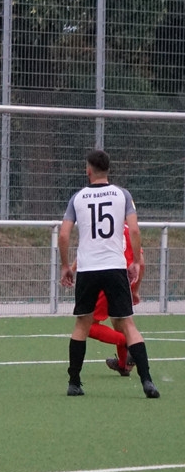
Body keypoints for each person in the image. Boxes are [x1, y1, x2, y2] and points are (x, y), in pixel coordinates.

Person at [59, 149, 159, 398]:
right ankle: (147, 381)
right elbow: (134, 231)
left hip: (88, 268)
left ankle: (74, 383)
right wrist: (135, 262)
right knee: (128, 324)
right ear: (108, 170)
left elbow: (63, 234)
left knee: (82, 324)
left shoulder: (77, 198)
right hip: (114, 267)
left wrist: (65, 266)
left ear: (88, 170)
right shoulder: (122, 195)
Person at [79, 224, 144, 377]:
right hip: (126, 281)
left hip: (108, 278)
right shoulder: (130, 230)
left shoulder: (106, 226)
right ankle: (123, 366)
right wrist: (135, 290)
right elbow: (141, 263)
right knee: (120, 323)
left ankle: (130, 343)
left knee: (88, 326)